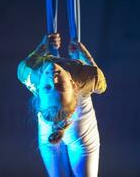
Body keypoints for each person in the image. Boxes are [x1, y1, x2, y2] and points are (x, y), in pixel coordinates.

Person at [17, 33, 107, 177]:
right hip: (81, 135)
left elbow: (29, 62)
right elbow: (101, 85)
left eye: (47, 87)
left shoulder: (30, 75)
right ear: (73, 86)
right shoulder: (86, 78)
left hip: (49, 136)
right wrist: (83, 57)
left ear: (38, 90)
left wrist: (43, 46)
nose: (53, 78)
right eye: (60, 86)